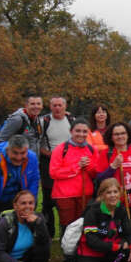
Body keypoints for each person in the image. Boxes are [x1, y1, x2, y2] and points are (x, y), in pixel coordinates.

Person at [75, 178, 131, 262]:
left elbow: (129, 232)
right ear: (102, 195)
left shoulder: (120, 209)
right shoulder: (93, 211)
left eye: (115, 192)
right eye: (109, 192)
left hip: (110, 249)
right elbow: (91, 240)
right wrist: (115, 246)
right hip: (90, 252)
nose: (113, 195)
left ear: (120, 193)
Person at [48, 121, 107, 235]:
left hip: (86, 193)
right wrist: (77, 166)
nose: (81, 134)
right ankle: (67, 245)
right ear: (71, 131)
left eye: (84, 131)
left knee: (85, 223)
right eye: (78, 131)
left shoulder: (92, 149)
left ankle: (83, 245)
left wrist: (88, 166)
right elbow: (53, 173)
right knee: (68, 225)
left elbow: (96, 173)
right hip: (65, 195)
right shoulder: (61, 149)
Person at [101, 122, 131, 237]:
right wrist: (113, 167)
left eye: (123, 133)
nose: (120, 136)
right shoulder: (107, 153)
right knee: (117, 228)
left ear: (128, 135)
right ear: (111, 137)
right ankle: (120, 245)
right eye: (116, 134)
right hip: (114, 198)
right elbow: (100, 178)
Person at [37, 96, 74, 226]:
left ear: (65, 106)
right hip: (48, 162)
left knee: (65, 197)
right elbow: (36, 143)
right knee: (48, 198)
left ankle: (66, 227)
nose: (57, 108)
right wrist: (51, 154)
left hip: (67, 163)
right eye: (54, 105)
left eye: (60, 105)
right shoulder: (43, 121)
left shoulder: (71, 120)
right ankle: (48, 230)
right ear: (50, 107)